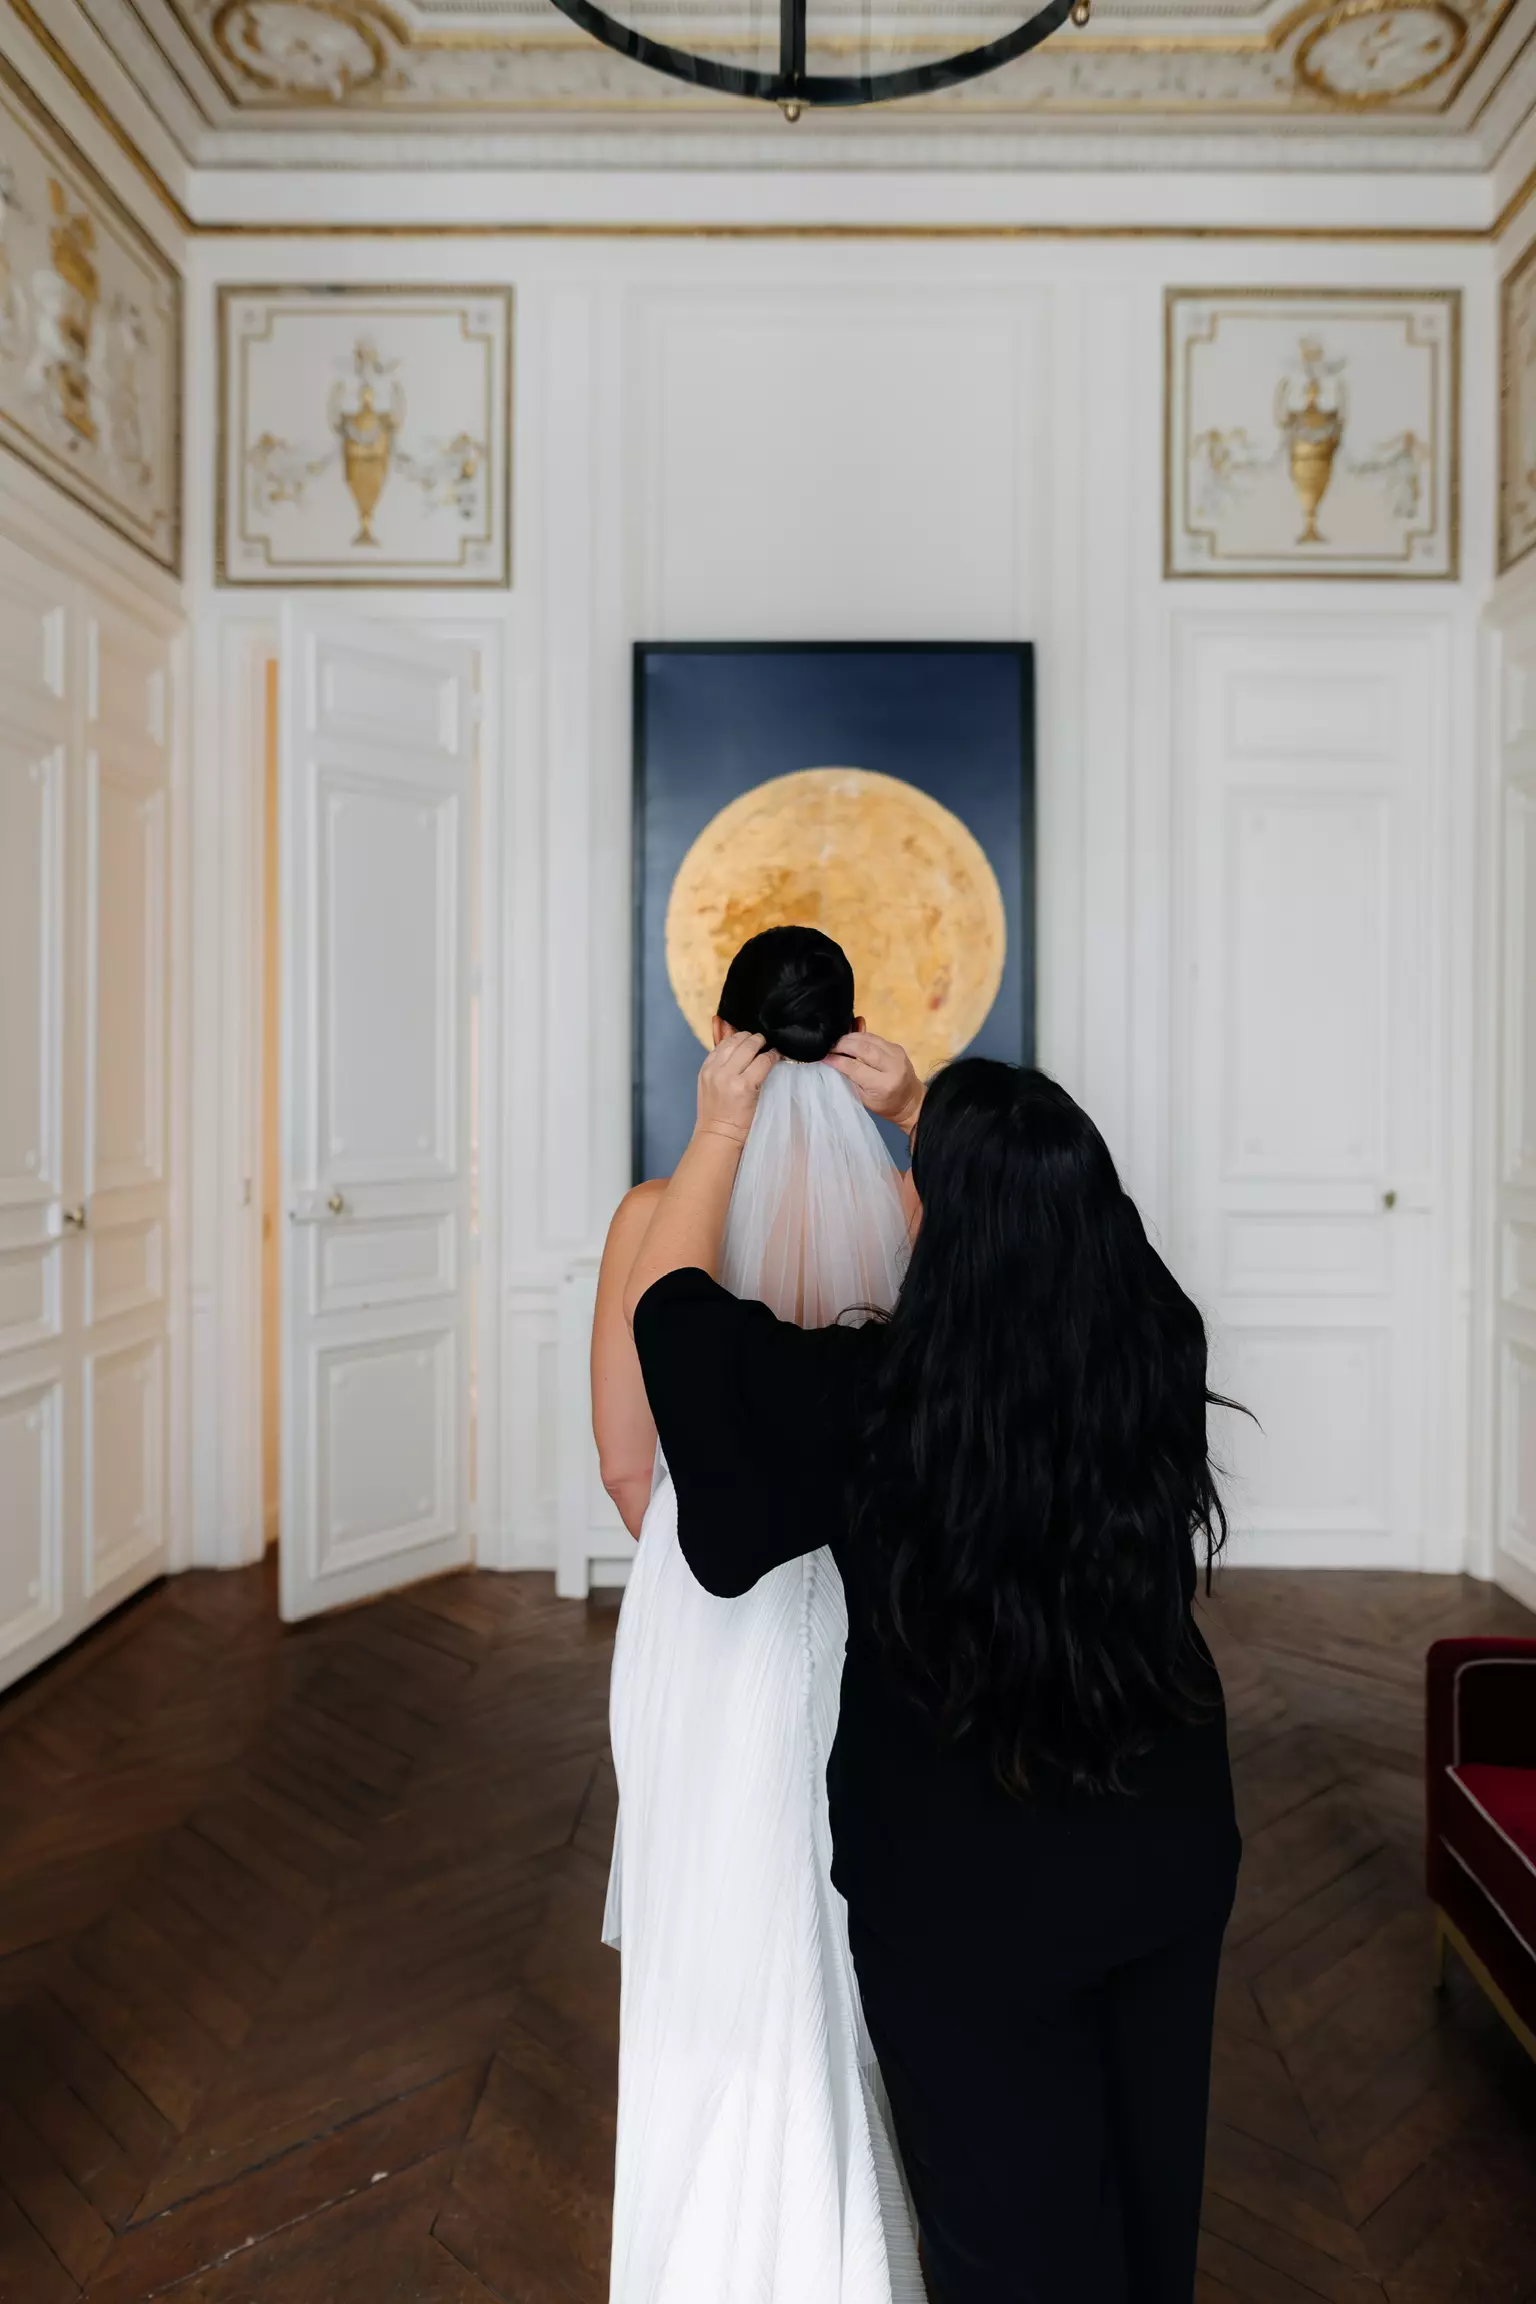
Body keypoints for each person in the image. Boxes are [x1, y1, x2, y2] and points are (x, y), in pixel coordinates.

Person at [623, 1041, 1242, 2304]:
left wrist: (719, 1133)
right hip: (1164, 1848)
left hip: (969, 1893)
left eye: (919, 1175)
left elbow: (674, 1327)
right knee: (1149, 2198)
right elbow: (1099, 1237)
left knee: (1006, 2241)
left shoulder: (879, 1397)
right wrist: (927, 1114)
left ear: (949, 1224)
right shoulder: (1154, 1355)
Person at [592, 926, 925, 2304]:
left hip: (704, 1613)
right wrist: (911, 1119)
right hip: (872, 1604)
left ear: (721, 1040)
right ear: (848, 1041)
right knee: (847, 1907)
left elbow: (627, 1467)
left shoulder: (655, 1216)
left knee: (717, 1915)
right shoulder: (910, 1217)